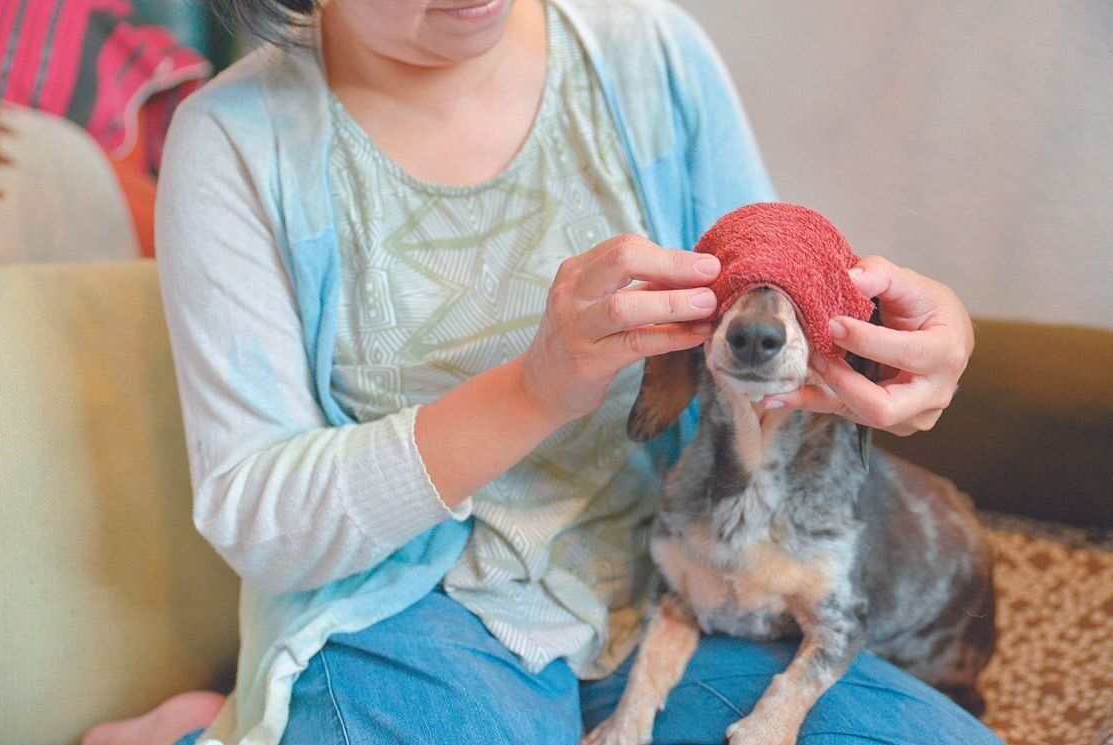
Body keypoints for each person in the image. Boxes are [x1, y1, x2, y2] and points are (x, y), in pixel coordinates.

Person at [83, 0, 994, 743]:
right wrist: (531, 390)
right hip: (411, 615)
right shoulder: (236, 144)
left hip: (678, 585)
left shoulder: (653, 59)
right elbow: (261, 520)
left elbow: (770, 315)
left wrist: (898, 347)